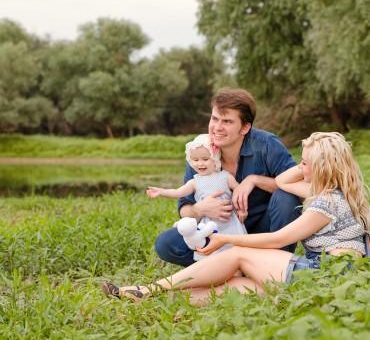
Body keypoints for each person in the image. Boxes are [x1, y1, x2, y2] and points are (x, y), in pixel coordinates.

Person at [102, 132, 369, 304]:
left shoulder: (327, 201)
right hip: (332, 280)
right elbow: (282, 180)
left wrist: (224, 239)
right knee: (241, 286)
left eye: (306, 163)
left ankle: (149, 289)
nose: (300, 167)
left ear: (322, 167)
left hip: (321, 274)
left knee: (237, 253)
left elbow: (281, 238)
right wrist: (305, 162)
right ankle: (149, 299)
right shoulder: (335, 194)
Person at [155, 87, 301, 267]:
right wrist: (201, 209)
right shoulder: (200, 151)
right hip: (218, 232)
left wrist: (253, 180)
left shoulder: (267, 145)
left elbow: (298, 185)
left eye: (227, 121)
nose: (217, 127)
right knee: (166, 244)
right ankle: (230, 265)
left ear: (245, 127)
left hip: (263, 230)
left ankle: (275, 265)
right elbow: (185, 209)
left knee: (287, 196)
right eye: (214, 118)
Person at [147, 133, 247, 259]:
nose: (200, 164)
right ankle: (216, 270)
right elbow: (178, 192)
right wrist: (161, 191)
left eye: (205, 159)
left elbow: (240, 193)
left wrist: (242, 209)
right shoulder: (194, 182)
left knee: (233, 246)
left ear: (215, 158)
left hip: (229, 221)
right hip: (208, 223)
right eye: (195, 160)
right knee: (211, 250)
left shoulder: (225, 176)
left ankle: (237, 268)